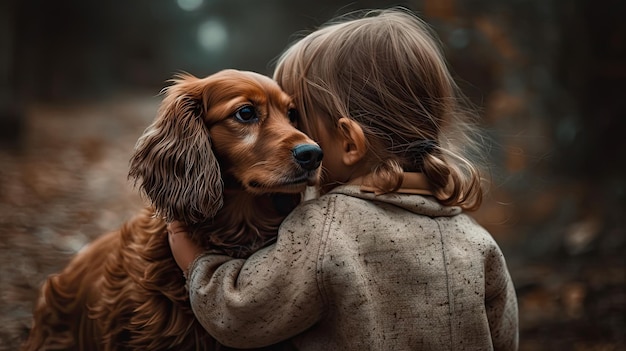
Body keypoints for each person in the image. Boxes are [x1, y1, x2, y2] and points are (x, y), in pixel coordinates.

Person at [168, 8, 519, 350]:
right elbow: (504, 338)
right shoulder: (477, 240)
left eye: (297, 117)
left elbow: (243, 316)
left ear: (349, 142)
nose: (293, 134)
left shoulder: (322, 229)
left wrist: (195, 261)